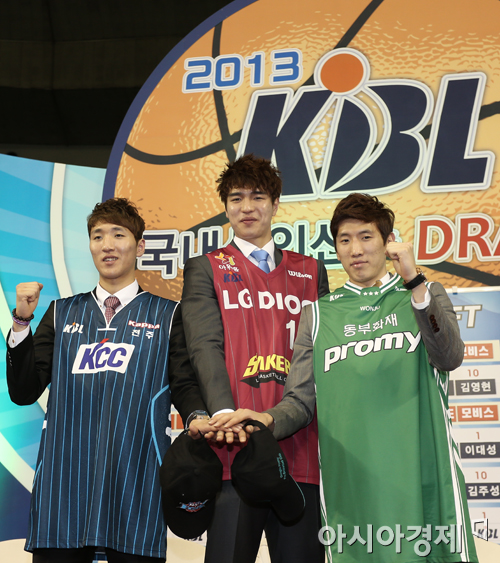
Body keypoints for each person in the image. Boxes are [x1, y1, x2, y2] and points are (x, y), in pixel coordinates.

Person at [216, 193, 478, 563]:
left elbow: (449, 356)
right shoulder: (318, 315)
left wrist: (414, 280)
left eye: (366, 237)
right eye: (344, 240)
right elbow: (300, 400)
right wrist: (265, 419)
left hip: (422, 479)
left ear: (389, 242)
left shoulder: (423, 295)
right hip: (352, 488)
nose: (356, 250)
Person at [5, 198, 197, 563]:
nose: (107, 245)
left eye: (118, 234)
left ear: (140, 246)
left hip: (135, 485)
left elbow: (185, 385)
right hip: (63, 492)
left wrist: (199, 416)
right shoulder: (61, 312)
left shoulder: (169, 314)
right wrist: (21, 323)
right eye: (97, 236)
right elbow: (23, 391)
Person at [173, 154, 330, 563]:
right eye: (236, 198)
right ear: (225, 207)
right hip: (232, 449)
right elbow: (203, 346)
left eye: (258, 196)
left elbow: (324, 360)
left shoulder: (311, 271)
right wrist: (226, 417)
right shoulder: (206, 267)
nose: (247, 207)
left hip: (299, 452)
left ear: (275, 204)